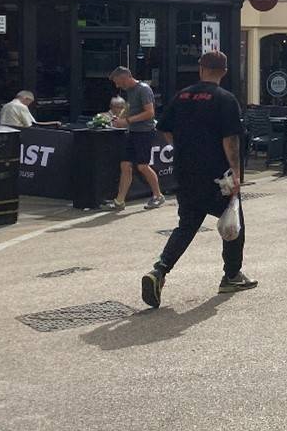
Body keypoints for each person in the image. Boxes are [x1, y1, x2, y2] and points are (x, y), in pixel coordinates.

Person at [141, 50, 256, 308]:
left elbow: (164, 128)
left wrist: (183, 148)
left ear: (201, 69)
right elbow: (230, 140)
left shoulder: (182, 95)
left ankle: (159, 270)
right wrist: (236, 173)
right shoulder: (225, 99)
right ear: (224, 72)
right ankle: (231, 275)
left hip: (185, 172)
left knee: (187, 225)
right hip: (216, 176)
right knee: (233, 225)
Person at [101, 67, 164, 211]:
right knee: (125, 165)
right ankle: (119, 201)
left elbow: (150, 113)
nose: (117, 86)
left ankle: (158, 196)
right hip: (133, 132)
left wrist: (127, 121)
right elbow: (129, 107)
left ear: (125, 77)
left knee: (142, 166)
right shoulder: (130, 91)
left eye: (118, 82)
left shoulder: (144, 89)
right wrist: (120, 118)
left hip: (144, 132)